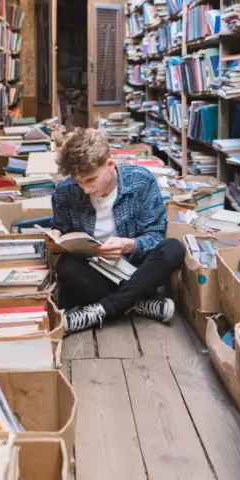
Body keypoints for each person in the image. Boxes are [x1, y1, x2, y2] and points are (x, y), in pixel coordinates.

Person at [48, 128, 184, 335]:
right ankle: (139, 303)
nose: (85, 189)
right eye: (78, 182)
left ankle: (102, 309)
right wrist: (56, 236)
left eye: (91, 180)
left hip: (134, 268)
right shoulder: (64, 192)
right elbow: (63, 233)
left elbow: (156, 235)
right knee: (67, 267)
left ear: (110, 165)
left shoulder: (142, 181)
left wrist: (129, 245)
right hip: (95, 270)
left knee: (173, 249)